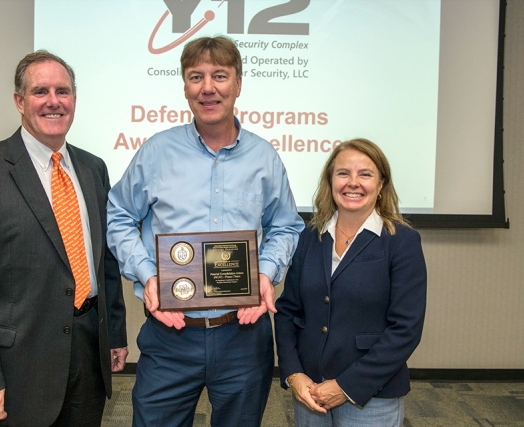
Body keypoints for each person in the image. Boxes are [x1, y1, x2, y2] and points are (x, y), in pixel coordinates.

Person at [106, 36, 305, 427]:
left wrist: (264, 273)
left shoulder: (265, 157)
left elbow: (285, 226)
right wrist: (147, 276)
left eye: (219, 76)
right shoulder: (156, 152)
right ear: (184, 86)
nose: (207, 87)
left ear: (238, 84)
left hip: (242, 336)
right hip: (171, 334)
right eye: (196, 76)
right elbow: (118, 216)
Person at [0, 50, 128, 427]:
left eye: (63, 91)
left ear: (74, 99)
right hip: (17, 366)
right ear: (19, 101)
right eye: (40, 91)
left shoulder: (93, 168)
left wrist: (114, 334)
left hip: (88, 350)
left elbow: (105, 261)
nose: (53, 101)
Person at [274, 138, 427, 426]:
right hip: (310, 392)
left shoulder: (402, 242)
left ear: (381, 184)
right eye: (343, 173)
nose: (352, 183)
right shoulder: (310, 237)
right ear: (330, 181)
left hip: (371, 395)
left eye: (365, 174)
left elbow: (406, 329)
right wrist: (294, 374)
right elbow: (287, 312)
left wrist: (345, 386)